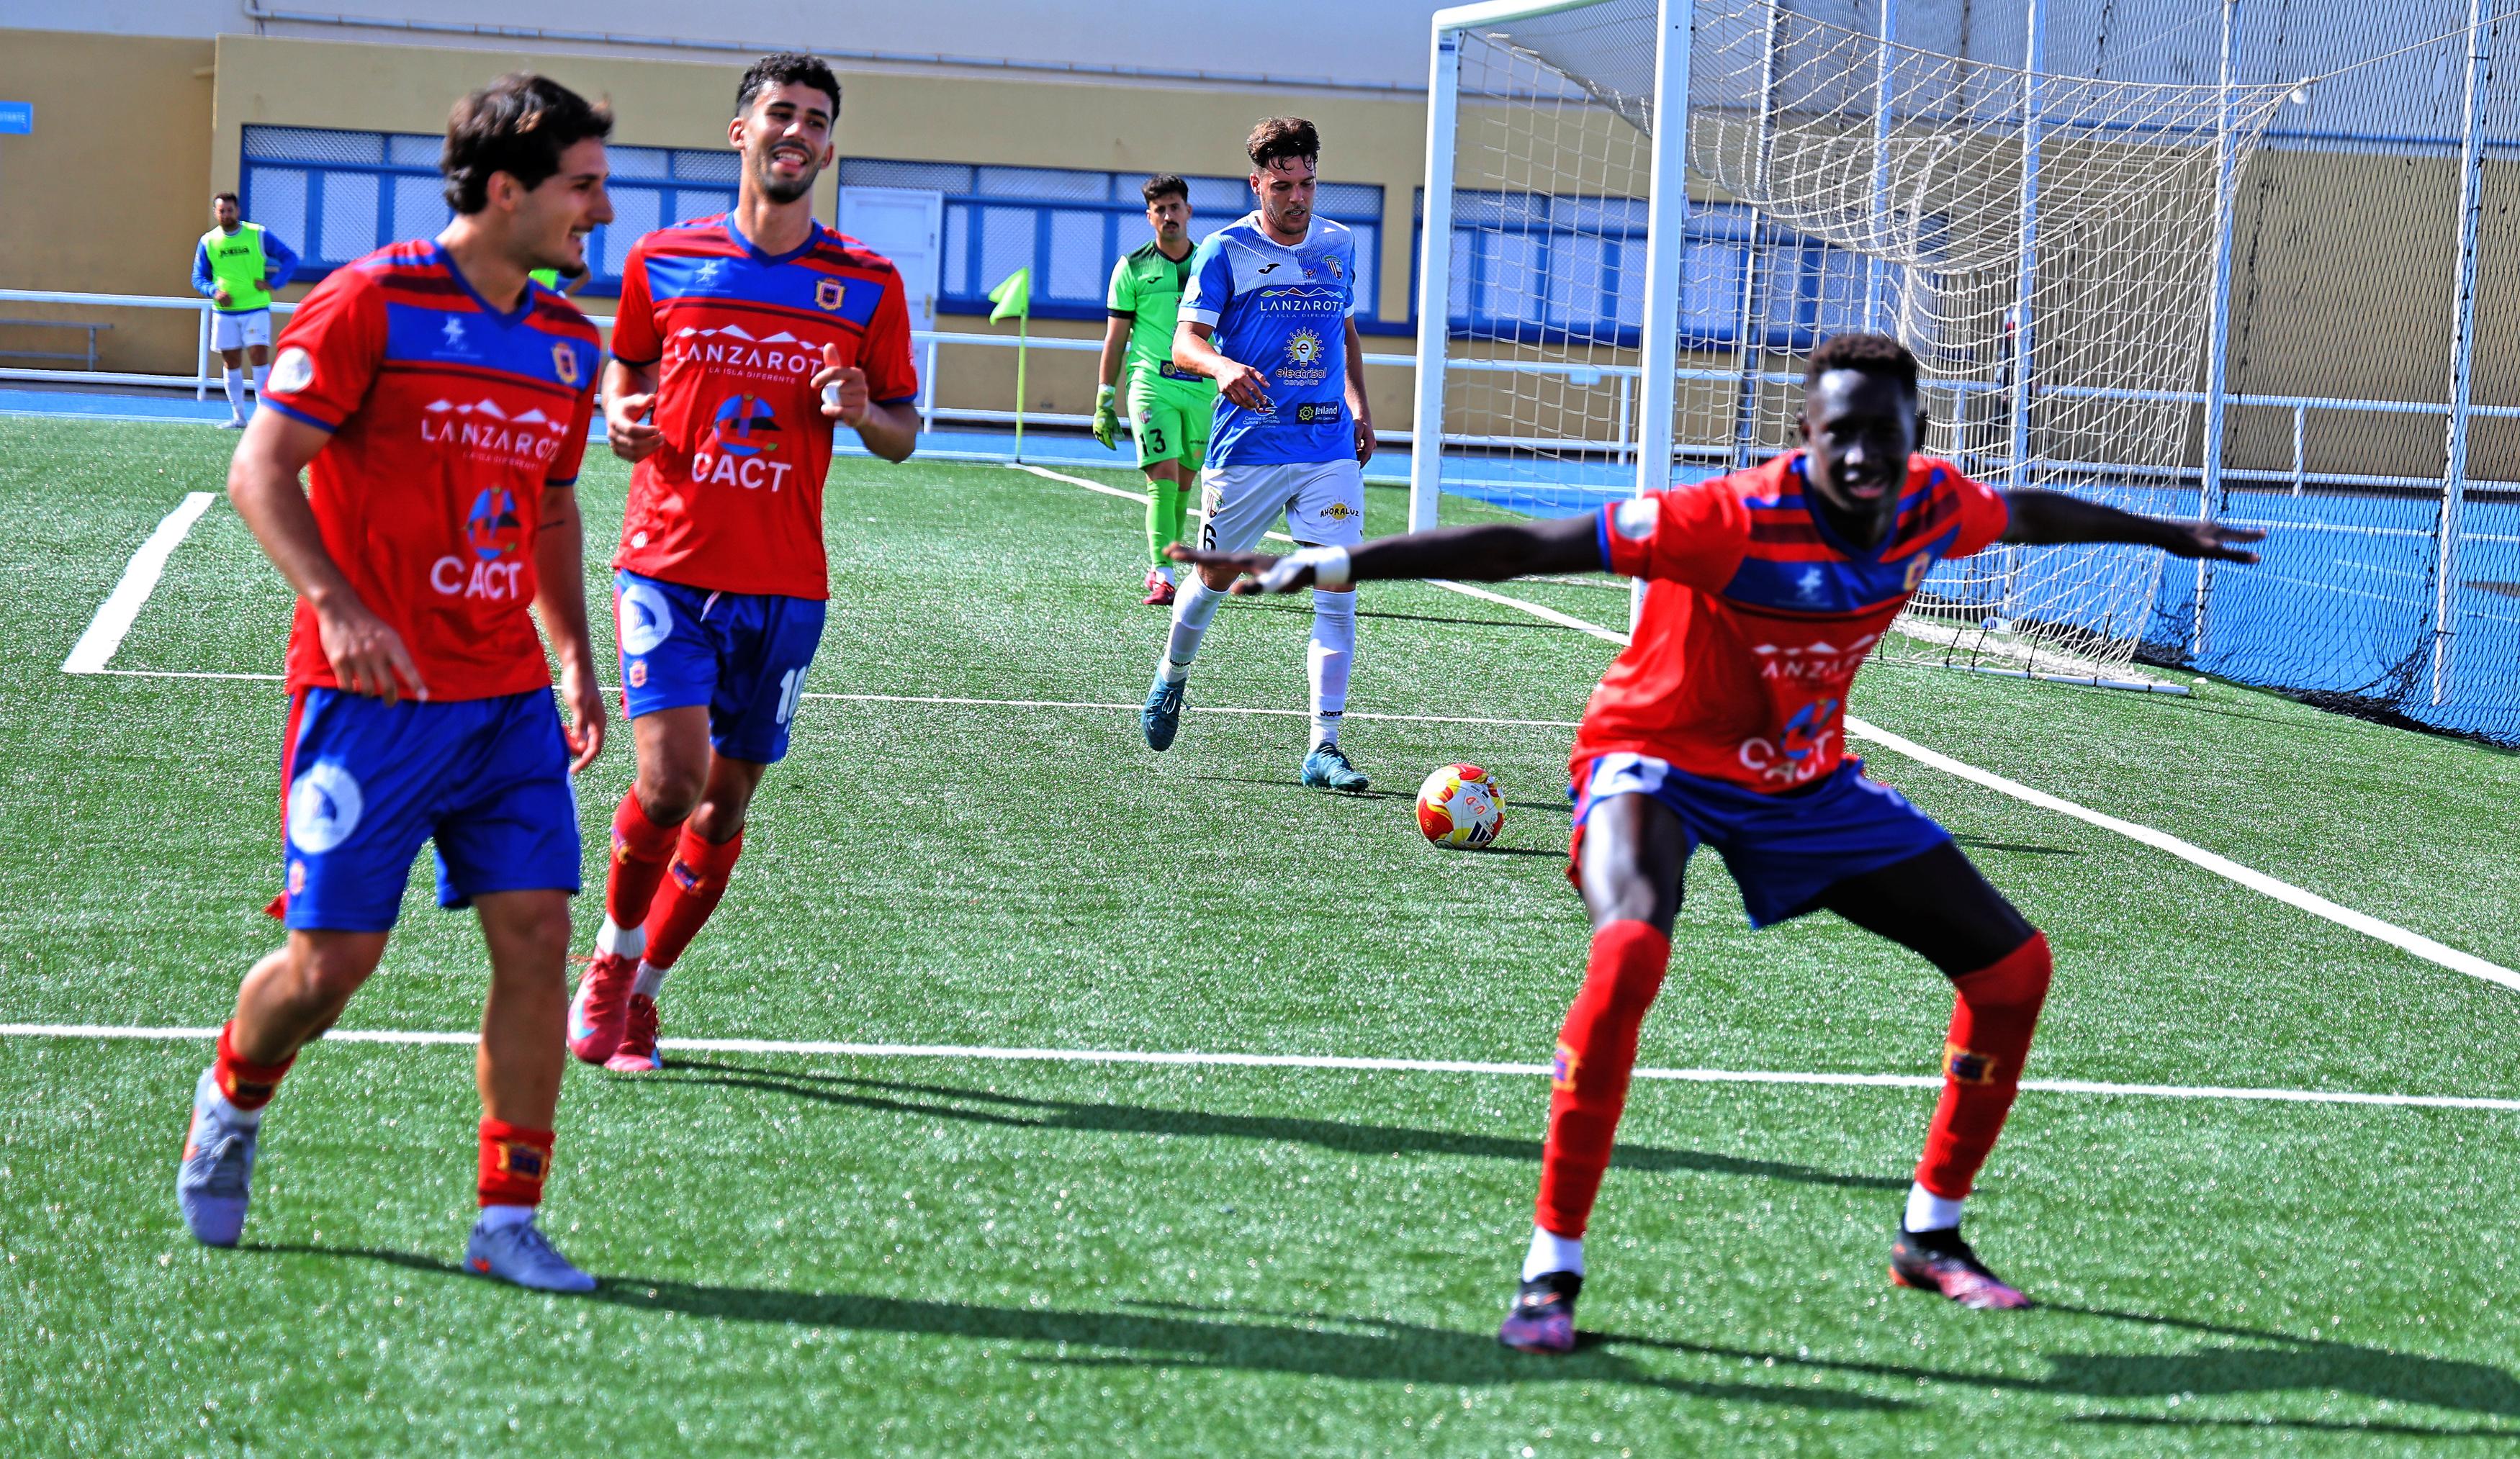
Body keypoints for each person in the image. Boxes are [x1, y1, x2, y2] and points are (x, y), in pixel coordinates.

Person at [1173, 332, 2267, 1351]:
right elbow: (1527, 545)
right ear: (1805, 439)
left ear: (1917, 437)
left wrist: (2165, 532)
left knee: (2013, 967)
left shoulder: (1936, 506)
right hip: (1652, 758)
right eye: (1837, 432)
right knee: (1633, 947)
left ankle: (1930, 1233)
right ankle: (1550, 1271)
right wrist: (1320, 566)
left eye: (1882, 432)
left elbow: (2024, 512)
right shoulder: (1729, 519)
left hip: (1801, 780)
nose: (1860, 452)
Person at [176, 74, 616, 1291]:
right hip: (367, 705)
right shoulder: (368, 302)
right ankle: (233, 1099)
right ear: (508, 188)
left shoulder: (569, 344)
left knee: (536, 936)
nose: (603, 208)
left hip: (506, 701)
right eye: (583, 186)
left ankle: (507, 1217)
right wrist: (338, 604)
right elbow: (262, 472)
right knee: (333, 966)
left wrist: (576, 657)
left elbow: (555, 512)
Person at [566, 53, 921, 1075]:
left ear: (828, 144)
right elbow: (626, 365)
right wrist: (618, 410)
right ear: (742, 132)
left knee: (725, 807)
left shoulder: (865, 281)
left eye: (815, 118)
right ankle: (610, 958)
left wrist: (863, 411)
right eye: (780, 113)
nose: (796, 131)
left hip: (785, 583)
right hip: (667, 566)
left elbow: (904, 428)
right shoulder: (663, 258)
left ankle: (645, 993)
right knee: (670, 783)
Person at [1141, 117, 1375, 792]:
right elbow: (1185, 344)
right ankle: (1172, 675)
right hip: (1249, 448)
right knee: (1213, 581)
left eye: (1306, 183)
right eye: (1282, 186)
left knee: (1338, 589)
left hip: (1327, 443)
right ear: (1257, 184)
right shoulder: (1224, 251)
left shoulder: (1339, 242)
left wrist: (1359, 404)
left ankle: (1324, 746)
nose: (1297, 198)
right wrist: (1220, 369)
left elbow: (1346, 331)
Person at [1094, 174, 1218, 607]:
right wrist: (1104, 398)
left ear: (1189, 211)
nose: (1168, 216)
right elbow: (1116, 339)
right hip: (1152, 385)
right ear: (1150, 216)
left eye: (1175, 207)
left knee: (1186, 479)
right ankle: (1162, 572)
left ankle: (1170, 555)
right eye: (1159, 209)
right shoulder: (1131, 267)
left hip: (1202, 388)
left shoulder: (1212, 262)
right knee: (1161, 478)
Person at [192, 192, 302, 429]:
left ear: (238, 211)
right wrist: (213, 291)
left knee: (258, 356)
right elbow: (198, 277)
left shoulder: (257, 234)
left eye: (230, 210)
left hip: (255, 309)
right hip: (225, 313)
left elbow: (290, 258)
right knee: (231, 361)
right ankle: (239, 416)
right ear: (215, 213)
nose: (226, 214)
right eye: (221, 211)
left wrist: (275, 283)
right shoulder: (208, 241)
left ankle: (263, 419)